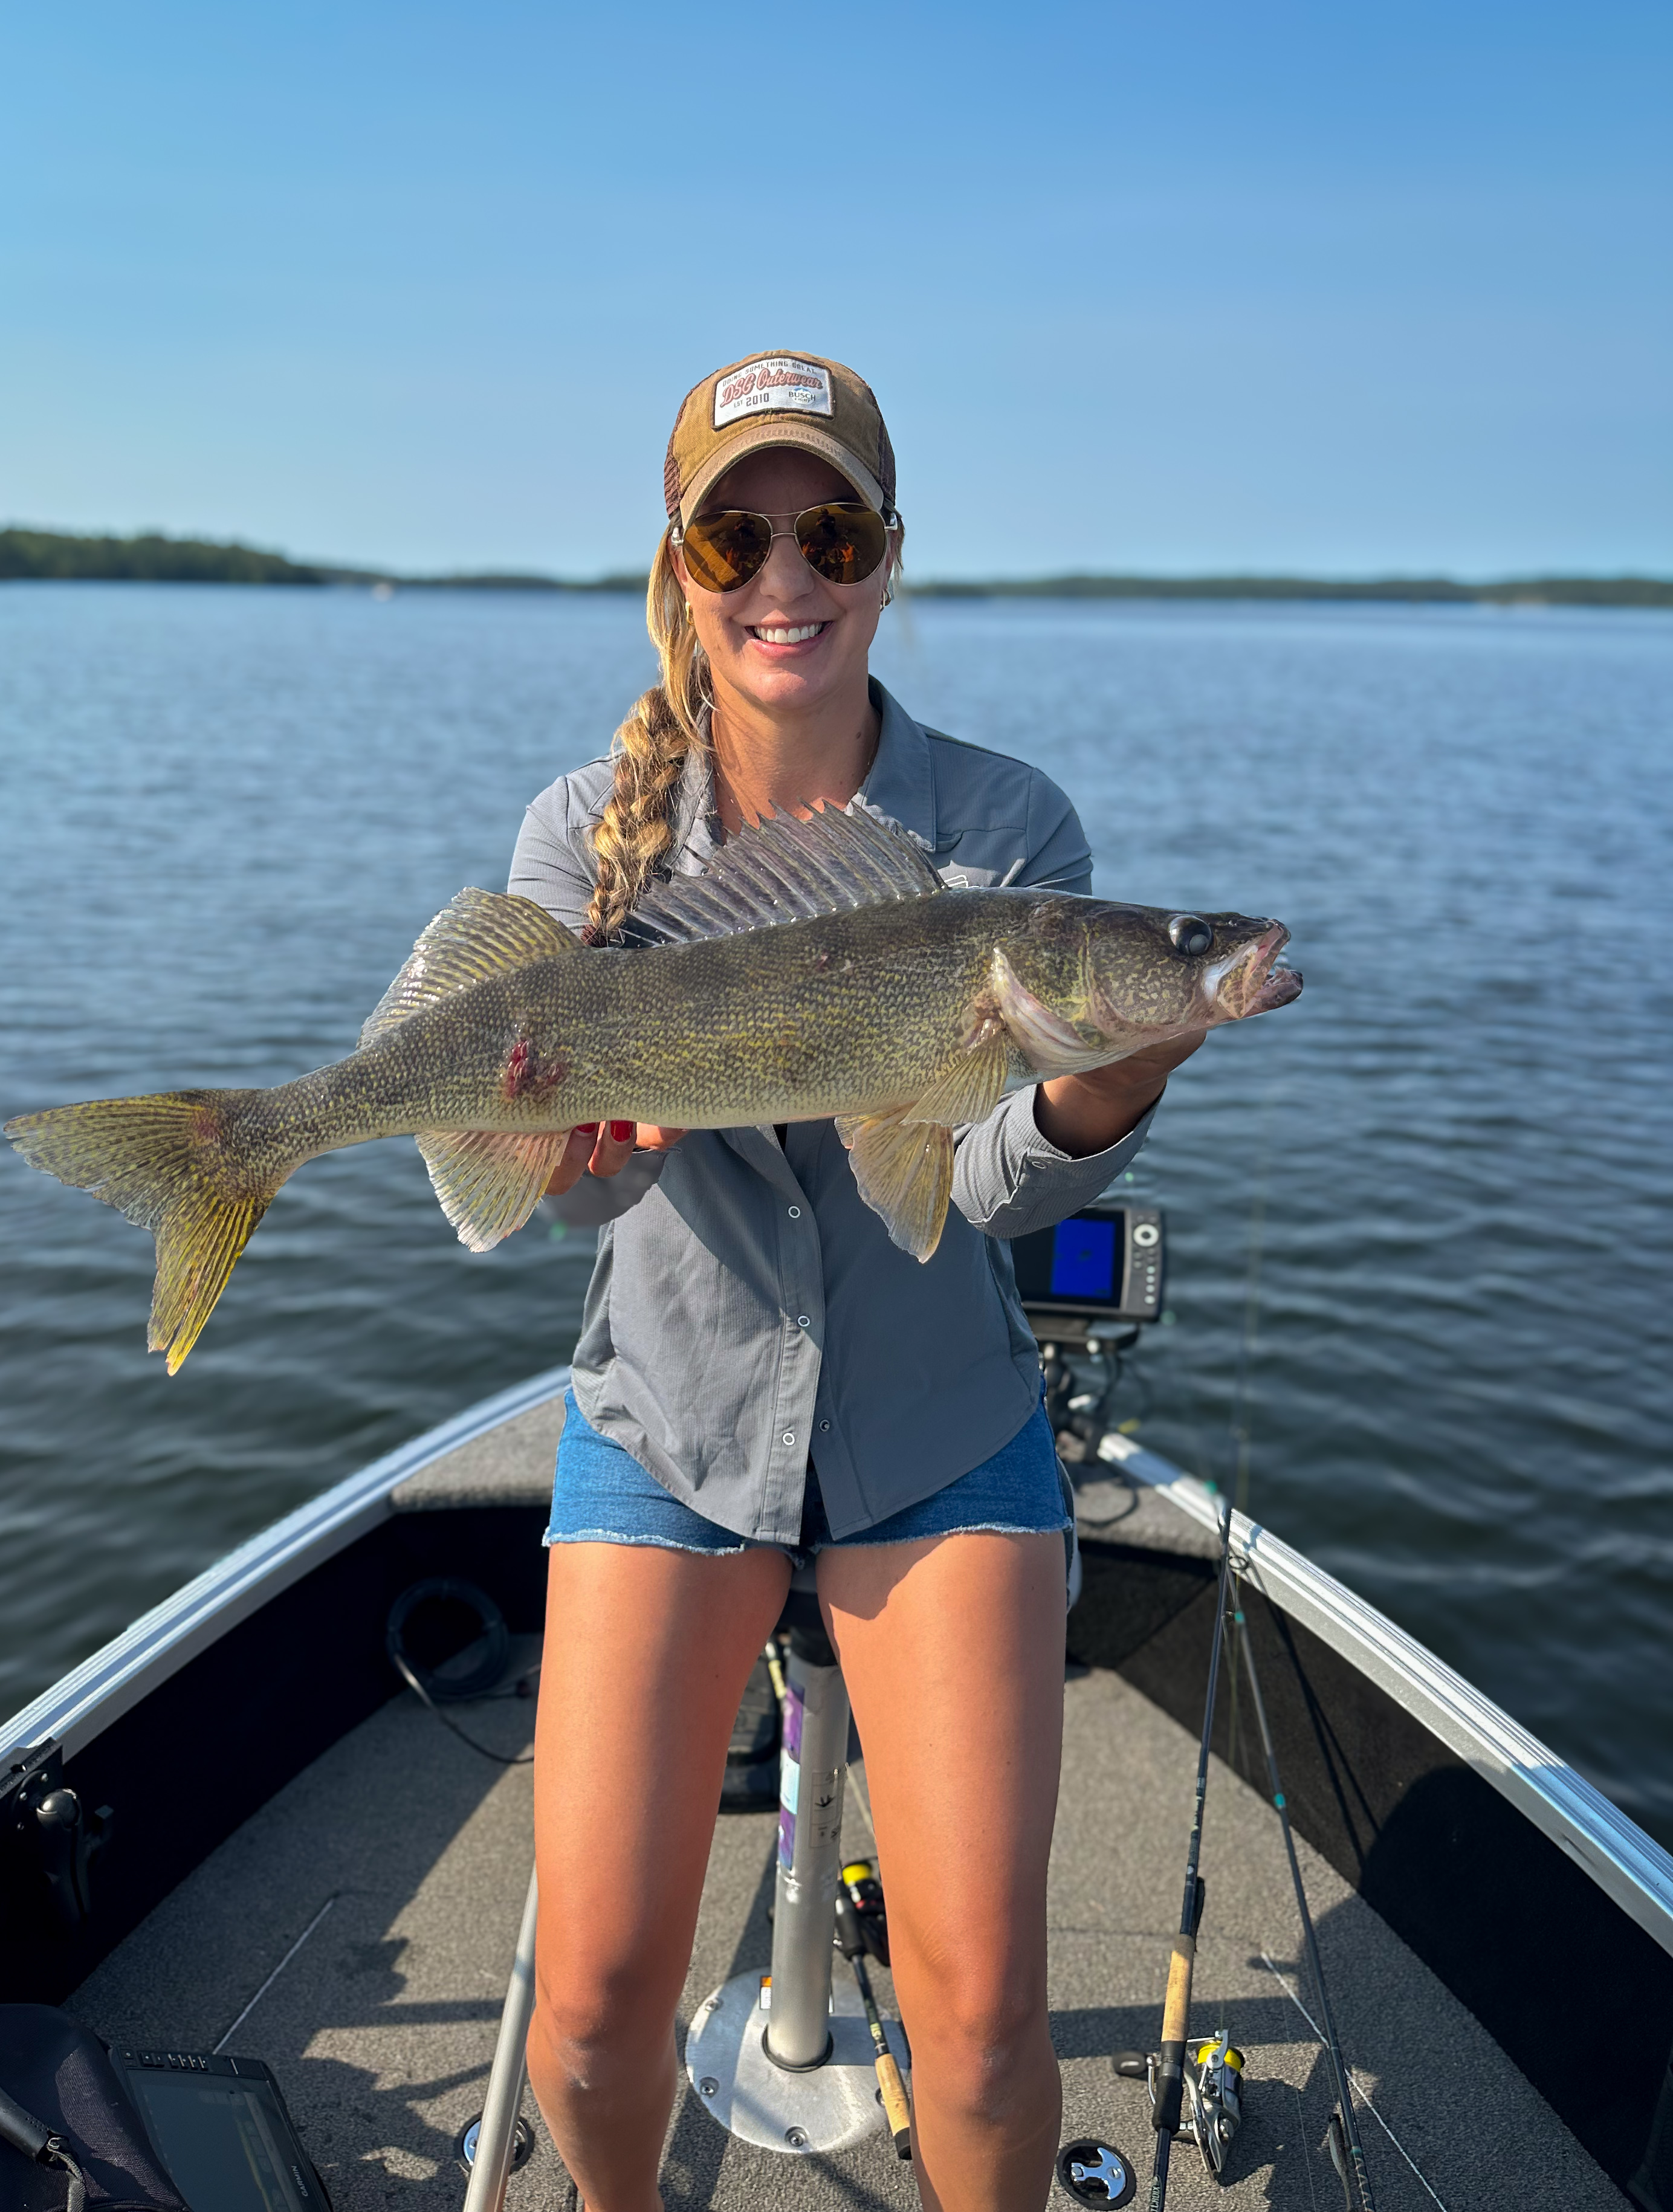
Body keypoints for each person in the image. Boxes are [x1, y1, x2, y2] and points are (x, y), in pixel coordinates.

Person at [507, 352, 1203, 2212]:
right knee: (585, 2009)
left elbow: (965, 1188)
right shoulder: (590, 837)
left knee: (978, 2024)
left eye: (829, 530)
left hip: (938, 1428)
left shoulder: (1011, 838)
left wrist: (1098, 1094)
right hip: (671, 1419)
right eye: (739, 531)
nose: (784, 575)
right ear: (680, 561)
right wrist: (549, 1159)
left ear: (891, 555)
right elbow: (566, 1209)